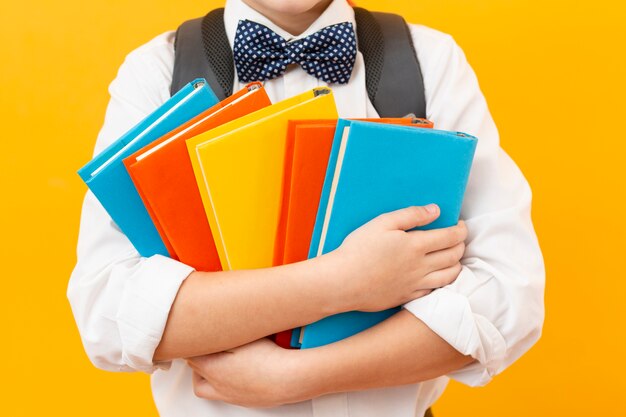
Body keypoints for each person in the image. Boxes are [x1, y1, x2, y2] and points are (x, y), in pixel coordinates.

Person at [67, 0, 545, 416]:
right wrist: (345, 281)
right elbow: (108, 313)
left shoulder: (429, 61)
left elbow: (508, 298)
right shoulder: (158, 70)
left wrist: (297, 376)